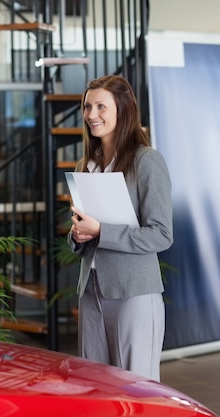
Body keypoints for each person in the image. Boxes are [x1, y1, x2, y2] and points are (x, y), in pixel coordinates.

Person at [68, 75, 173, 381]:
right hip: (91, 291)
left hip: (134, 294)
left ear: (123, 109)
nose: (91, 114)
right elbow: (80, 227)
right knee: (95, 387)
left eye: (101, 106)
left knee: (135, 389)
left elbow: (162, 234)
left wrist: (101, 230)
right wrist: (77, 234)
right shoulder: (85, 164)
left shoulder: (147, 161)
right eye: (88, 106)